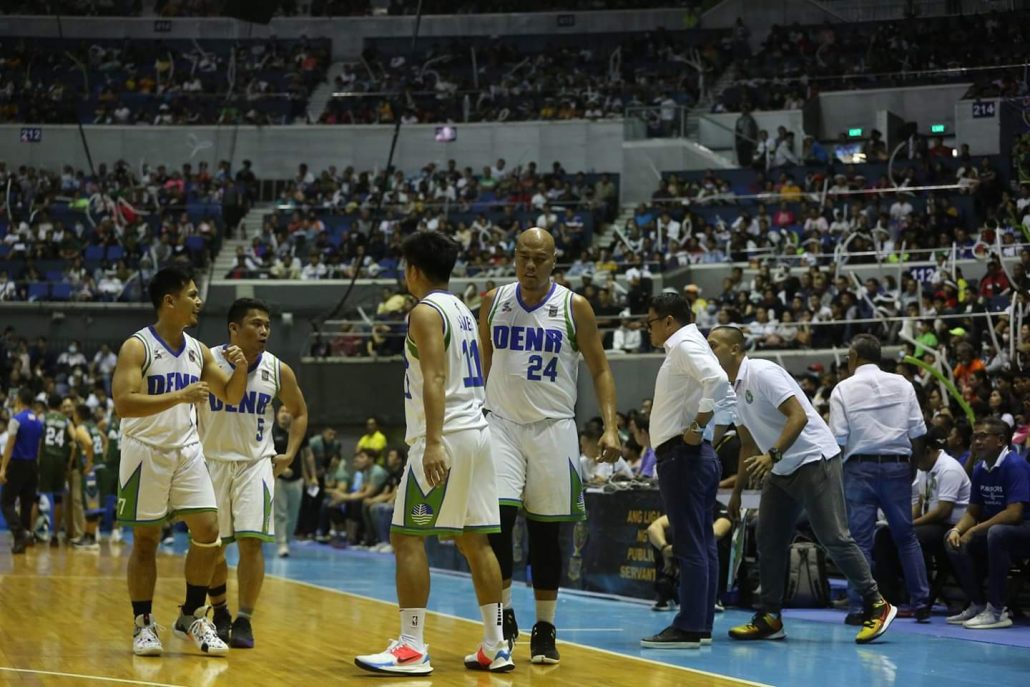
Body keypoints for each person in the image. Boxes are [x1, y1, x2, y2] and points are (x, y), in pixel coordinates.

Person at [355, 231, 513, 676]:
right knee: (475, 540)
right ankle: (496, 644)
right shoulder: (461, 308)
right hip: (478, 432)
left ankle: (410, 646)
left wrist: (435, 441)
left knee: (406, 537)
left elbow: (435, 378)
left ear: (414, 271)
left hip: (447, 435)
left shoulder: (424, 312)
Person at [478, 227, 620, 663]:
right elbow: (483, 363)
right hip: (499, 425)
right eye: (524, 256)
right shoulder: (492, 301)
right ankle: (504, 614)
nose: (531, 265)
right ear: (514, 257)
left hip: (554, 428)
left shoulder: (574, 307)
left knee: (545, 533)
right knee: (495, 525)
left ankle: (545, 627)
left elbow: (599, 369)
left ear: (554, 261)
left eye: (540, 258)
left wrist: (611, 426)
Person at [707, 326, 897, 644]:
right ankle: (770, 616)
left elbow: (798, 417)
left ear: (736, 349)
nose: (709, 350)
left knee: (834, 537)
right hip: (782, 469)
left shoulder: (763, 373)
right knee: (768, 538)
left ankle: (878, 604)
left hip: (814, 459)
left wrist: (774, 454)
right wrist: (737, 493)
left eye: (714, 345)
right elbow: (746, 444)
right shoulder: (729, 390)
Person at [112, 266, 248, 657]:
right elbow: (124, 404)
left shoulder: (198, 349)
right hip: (144, 452)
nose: (198, 302)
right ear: (169, 302)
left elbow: (231, 395)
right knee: (146, 540)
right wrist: (179, 397)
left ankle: (190, 615)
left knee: (208, 529)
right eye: (191, 294)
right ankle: (142, 623)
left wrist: (239, 368)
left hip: (187, 451)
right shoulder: (137, 347)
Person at [198, 297, 308, 649]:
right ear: (234, 328)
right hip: (210, 461)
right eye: (256, 324)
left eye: (266, 325)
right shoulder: (208, 362)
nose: (264, 331)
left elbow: (299, 411)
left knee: (250, 544)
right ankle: (221, 610)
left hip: (254, 464)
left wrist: (289, 453)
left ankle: (244, 619)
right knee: (212, 548)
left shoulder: (278, 369)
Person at [639, 292, 735, 649]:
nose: (647, 330)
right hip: (692, 455)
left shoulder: (683, 345)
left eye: (650, 323)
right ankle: (702, 622)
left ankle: (690, 625)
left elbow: (718, 381)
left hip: (683, 455)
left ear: (667, 321)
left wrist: (697, 426)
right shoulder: (688, 345)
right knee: (703, 543)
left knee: (691, 542)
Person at [829, 334, 930, 623]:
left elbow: (838, 439)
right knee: (906, 537)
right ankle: (922, 602)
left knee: (859, 542)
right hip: (897, 466)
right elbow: (918, 434)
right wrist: (909, 469)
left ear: (854, 356)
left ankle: (860, 607)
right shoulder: (903, 384)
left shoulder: (842, 389)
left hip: (858, 469)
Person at [945, 417, 1030, 629]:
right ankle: (978, 604)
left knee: (996, 533)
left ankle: (997, 611)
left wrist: (974, 530)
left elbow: (1014, 514)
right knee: (952, 540)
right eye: (975, 437)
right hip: (997, 531)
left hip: (1024, 530)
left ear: (1001, 440)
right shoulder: (980, 469)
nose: (977, 441)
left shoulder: (1015, 465)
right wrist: (957, 529)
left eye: (983, 436)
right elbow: (973, 511)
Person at [874, 426, 969, 608]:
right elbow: (920, 504)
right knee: (885, 535)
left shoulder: (949, 469)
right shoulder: (924, 469)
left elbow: (943, 511)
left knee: (908, 537)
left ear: (927, 451)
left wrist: (909, 525)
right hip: (931, 524)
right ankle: (888, 599)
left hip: (950, 527)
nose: (911, 460)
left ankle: (916, 597)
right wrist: (901, 522)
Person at [1, 388, 44, 554]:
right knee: (26, 504)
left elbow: (10, 445)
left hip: (17, 464)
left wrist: (3, 468)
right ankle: (21, 543)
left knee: (6, 502)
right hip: (32, 465)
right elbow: (39, 447)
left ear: (18, 400)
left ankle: (20, 532)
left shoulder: (16, 420)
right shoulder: (38, 422)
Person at [38, 393, 74, 547]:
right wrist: (69, 462)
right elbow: (73, 440)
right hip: (60, 461)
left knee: (35, 497)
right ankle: (54, 535)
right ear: (60, 406)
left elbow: (38, 440)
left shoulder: (43, 418)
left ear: (48, 406)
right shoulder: (66, 421)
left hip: (44, 459)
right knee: (58, 499)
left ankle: (32, 533)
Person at [273, 406, 309, 558]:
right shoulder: (271, 432)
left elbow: (307, 456)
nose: (284, 415)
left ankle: (287, 540)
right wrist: (280, 468)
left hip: (297, 479)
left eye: (288, 412)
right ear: (276, 415)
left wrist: (310, 476)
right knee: (280, 513)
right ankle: (281, 543)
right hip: (278, 478)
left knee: (293, 513)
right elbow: (266, 455)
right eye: (282, 412)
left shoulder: (298, 431)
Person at [70, 403, 104, 550]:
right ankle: (88, 535)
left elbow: (89, 443)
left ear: (77, 414)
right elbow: (104, 440)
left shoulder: (81, 428)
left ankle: (90, 539)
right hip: (99, 468)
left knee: (91, 505)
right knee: (92, 504)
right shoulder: (94, 427)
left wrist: (89, 462)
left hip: (91, 471)